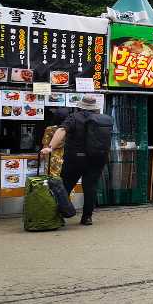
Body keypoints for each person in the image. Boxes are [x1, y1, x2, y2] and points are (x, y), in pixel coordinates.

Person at [41, 95, 109, 226]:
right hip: (97, 159)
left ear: (80, 106)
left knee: (65, 186)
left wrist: (50, 147)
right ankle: (87, 217)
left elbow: (62, 130)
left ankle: (61, 214)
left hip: (75, 159)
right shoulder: (103, 119)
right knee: (90, 188)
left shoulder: (74, 117)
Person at [40, 108, 69, 179]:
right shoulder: (70, 129)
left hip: (53, 159)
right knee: (67, 181)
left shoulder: (50, 129)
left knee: (53, 181)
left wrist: (41, 156)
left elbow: (45, 146)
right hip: (67, 157)